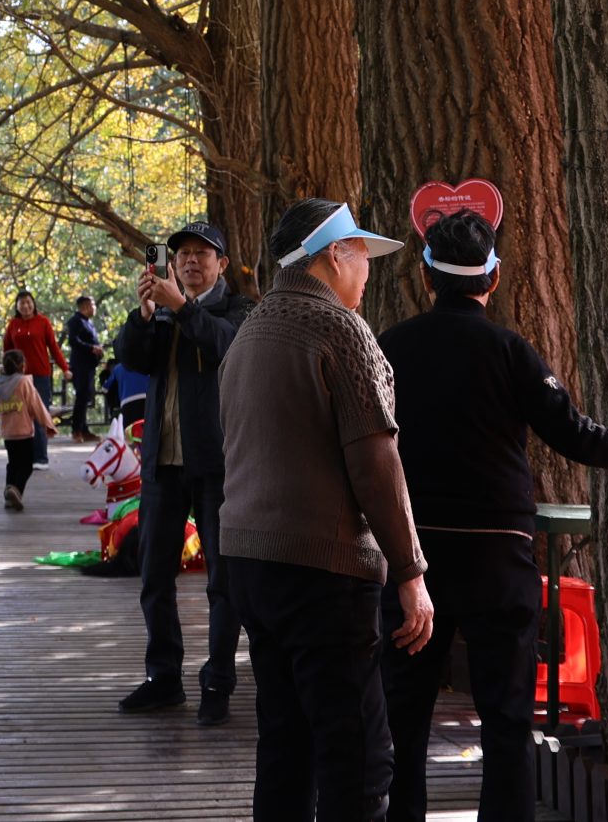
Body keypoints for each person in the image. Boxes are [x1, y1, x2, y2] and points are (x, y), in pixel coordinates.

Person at [380, 209, 608, 822]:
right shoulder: (511, 353)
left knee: (406, 720)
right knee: (504, 725)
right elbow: (583, 438)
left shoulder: (390, 347)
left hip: (414, 561)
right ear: (492, 278)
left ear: (426, 278)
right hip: (500, 562)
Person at [218, 199, 434, 822]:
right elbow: (377, 465)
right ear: (334, 254)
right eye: (363, 254)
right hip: (324, 571)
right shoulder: (341, 329)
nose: (368, 269)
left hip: (249, 566)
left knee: (285, 747)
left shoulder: (250, 332)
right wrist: (411, 573)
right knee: (358, 758)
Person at [115, 219, 253, 724]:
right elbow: (130, 359)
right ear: (171, 264)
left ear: (221, 263)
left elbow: (230, 347)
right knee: (154, 575)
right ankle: (163, 677)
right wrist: (145, 314)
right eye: (182, 254)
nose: (191, 261)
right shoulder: (164, 313)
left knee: (223, 579)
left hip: (217, 464)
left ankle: (218, 681)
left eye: (202, 253)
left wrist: (182, 307)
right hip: (161, 462)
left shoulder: (238, 309)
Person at [0, 347, 59, 509]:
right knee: (26, 465)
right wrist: (48, 425)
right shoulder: (24, 382)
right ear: (22, 365)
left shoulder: (0, 384)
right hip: (23, 431)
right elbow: (36, 404)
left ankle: (10, 493)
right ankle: (16, 490)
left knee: (13, 464)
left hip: (8, 432)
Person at [3, 289, 69, 415]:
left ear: (33, 304)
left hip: (41, 373)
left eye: (28, 302)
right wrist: (8, 372)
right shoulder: (13, 324)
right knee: (23, 413)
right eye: (22, 303)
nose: (26, 306)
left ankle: (41, 435)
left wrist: (64, 368)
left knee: (40, 412)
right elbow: (7, 350)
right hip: (19, 375)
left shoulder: (43, 322)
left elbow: (54, 348)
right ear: (17, 306)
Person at [65, 294, 105, 439]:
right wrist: (91, 348)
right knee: (81, 396)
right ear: (85, 306)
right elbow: (73, 341)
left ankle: (84, 429)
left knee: (86, 396)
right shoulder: (75, 321)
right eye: (92, 305)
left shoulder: (88, 322)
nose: (94, 308)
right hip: (80, 365)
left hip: (89, 365)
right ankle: (76, 430)